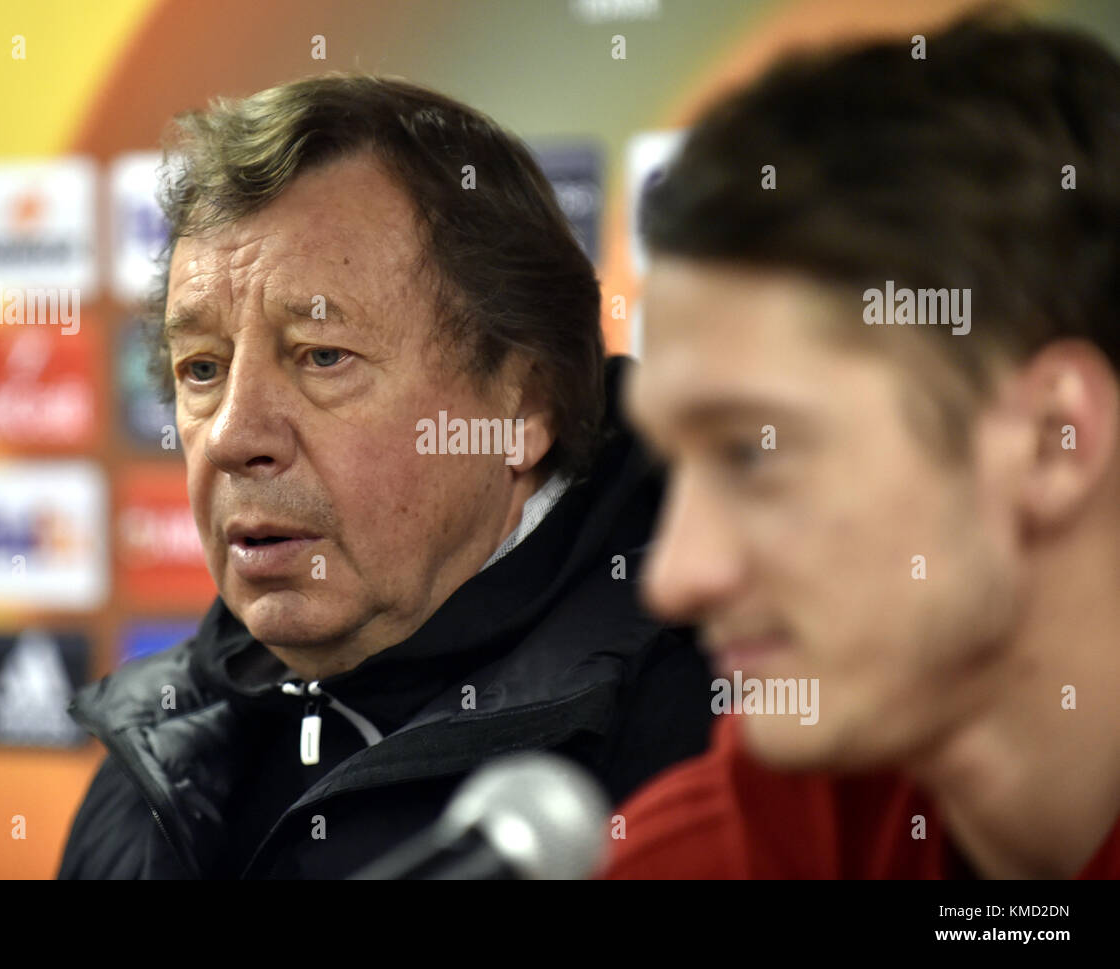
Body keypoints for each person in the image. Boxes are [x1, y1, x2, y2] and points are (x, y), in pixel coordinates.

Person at [58, 73, 712, 879]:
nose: (232, 435)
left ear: (523, 407)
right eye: (202, 368)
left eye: (322, 356)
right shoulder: (149, 766)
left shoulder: (704, 752)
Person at [608, 13, 1120, 879]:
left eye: (752, 454)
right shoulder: (707, 853)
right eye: (674, 461)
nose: (674, 577)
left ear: (1053, 442)